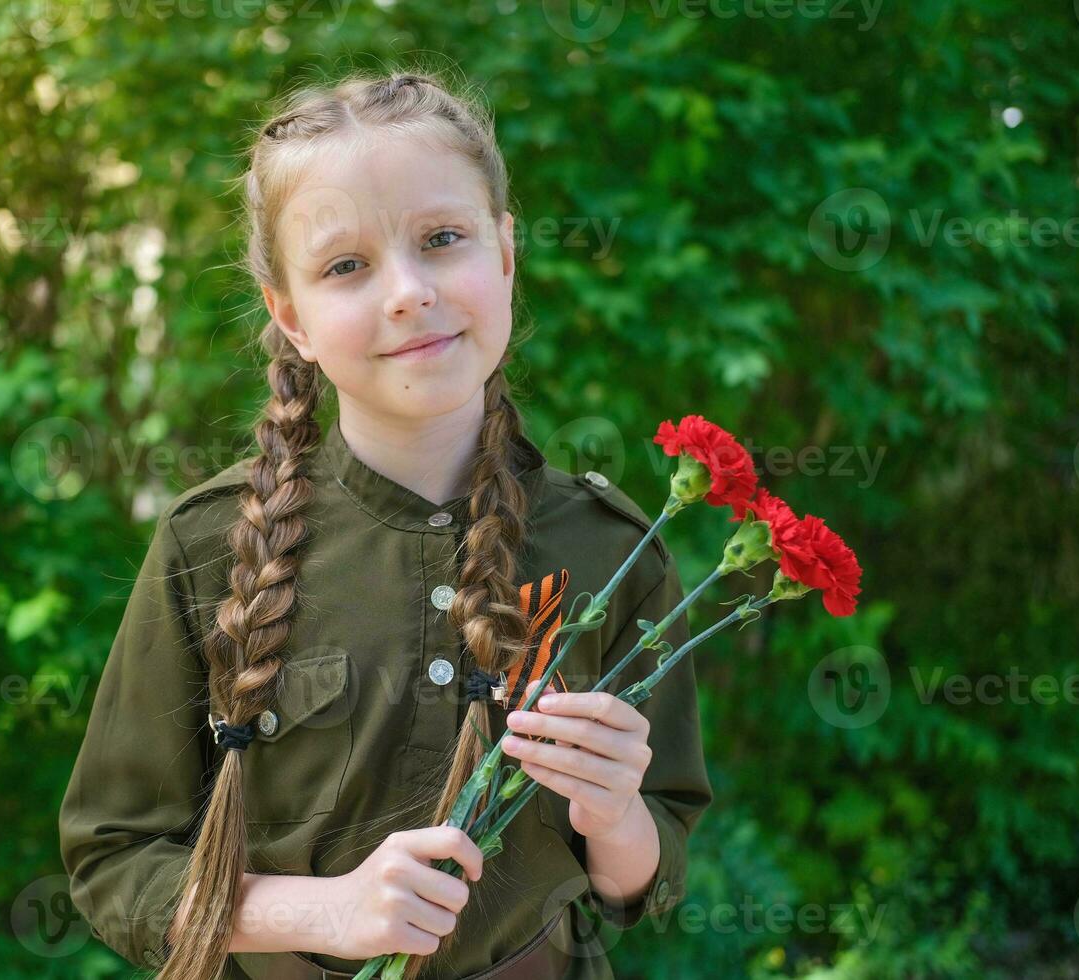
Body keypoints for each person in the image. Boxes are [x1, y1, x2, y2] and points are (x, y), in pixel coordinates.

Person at [58, 68, 713, 980]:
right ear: (291, 317)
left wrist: (615, 815)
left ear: (507, 255)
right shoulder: (210, 546)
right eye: (346, 266)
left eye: (443, 239)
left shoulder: (611, 548)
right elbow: (115, 859)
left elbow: (649, 873)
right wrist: (327, 910)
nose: (407, 291)